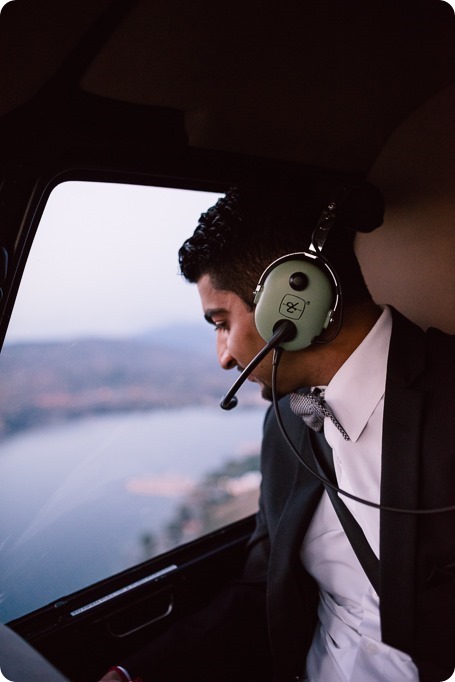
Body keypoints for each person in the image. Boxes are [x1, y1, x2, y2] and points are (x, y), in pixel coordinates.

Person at [99, 186, 455, 682]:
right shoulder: (287, 419)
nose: (222, 356)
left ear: (294, 303)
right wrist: (134, 675)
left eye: (222, 322)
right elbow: (264, 585)